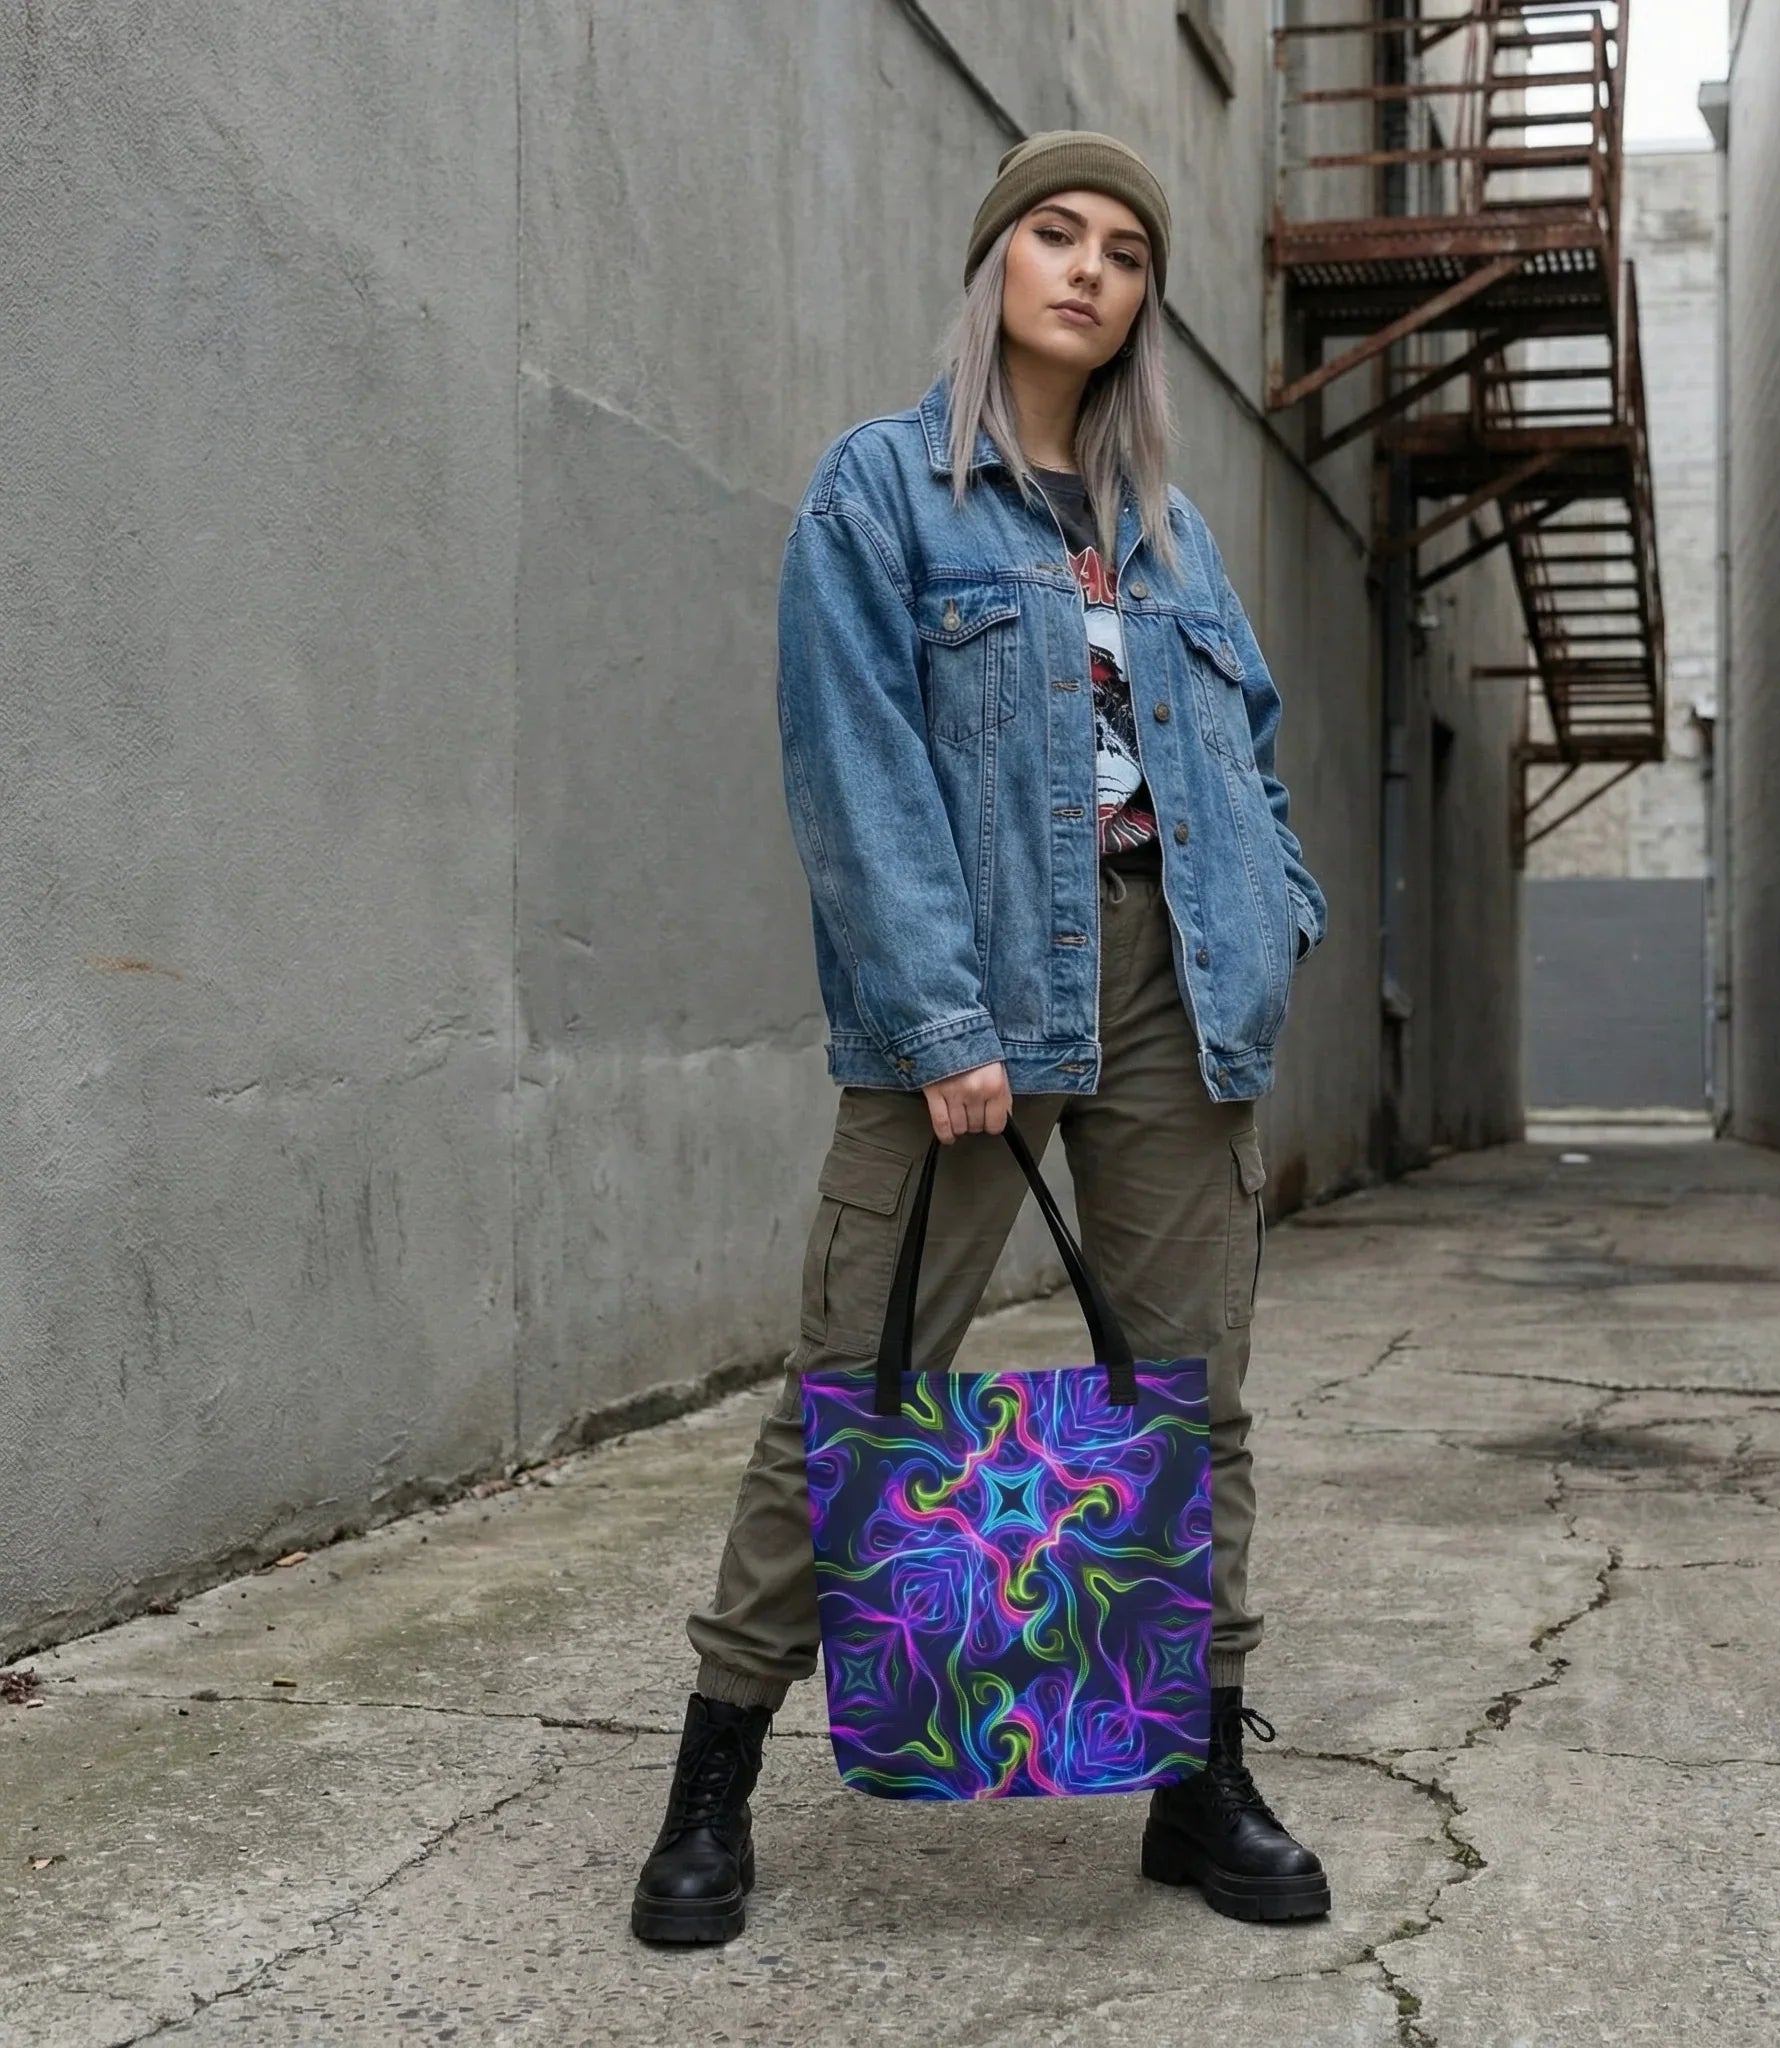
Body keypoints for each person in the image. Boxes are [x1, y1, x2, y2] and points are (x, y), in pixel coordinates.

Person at [631, 131, 1330, 1946]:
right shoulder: (885, 491)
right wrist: (944, 1015)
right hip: (977, 988)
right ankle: (715, 1778)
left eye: (1122, 251)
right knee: (857, 1391)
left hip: (1181, 985)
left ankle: (1195, 1776)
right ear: (994, 262)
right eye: (1054, 234)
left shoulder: (1165, 530)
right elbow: (854, 771)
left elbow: (1247, 749)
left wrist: (1281, 914)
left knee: (1192, 1403)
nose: (1088, 269)